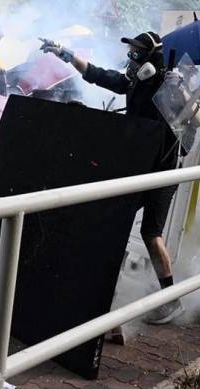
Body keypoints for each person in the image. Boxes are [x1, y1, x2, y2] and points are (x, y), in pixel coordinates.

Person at [42, 31, 184, 324]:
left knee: (151, 234)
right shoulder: (134, 81)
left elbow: (198, 120)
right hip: (139, 167)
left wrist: (178, 89)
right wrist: (64, 53)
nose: (131, 57)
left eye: (136, 52)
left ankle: (172, 300)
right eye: (131, 51)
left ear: (151, 58)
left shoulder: (167, 85)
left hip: (162, 171)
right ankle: (102, 290)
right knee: (111, 221)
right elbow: (96, 74)